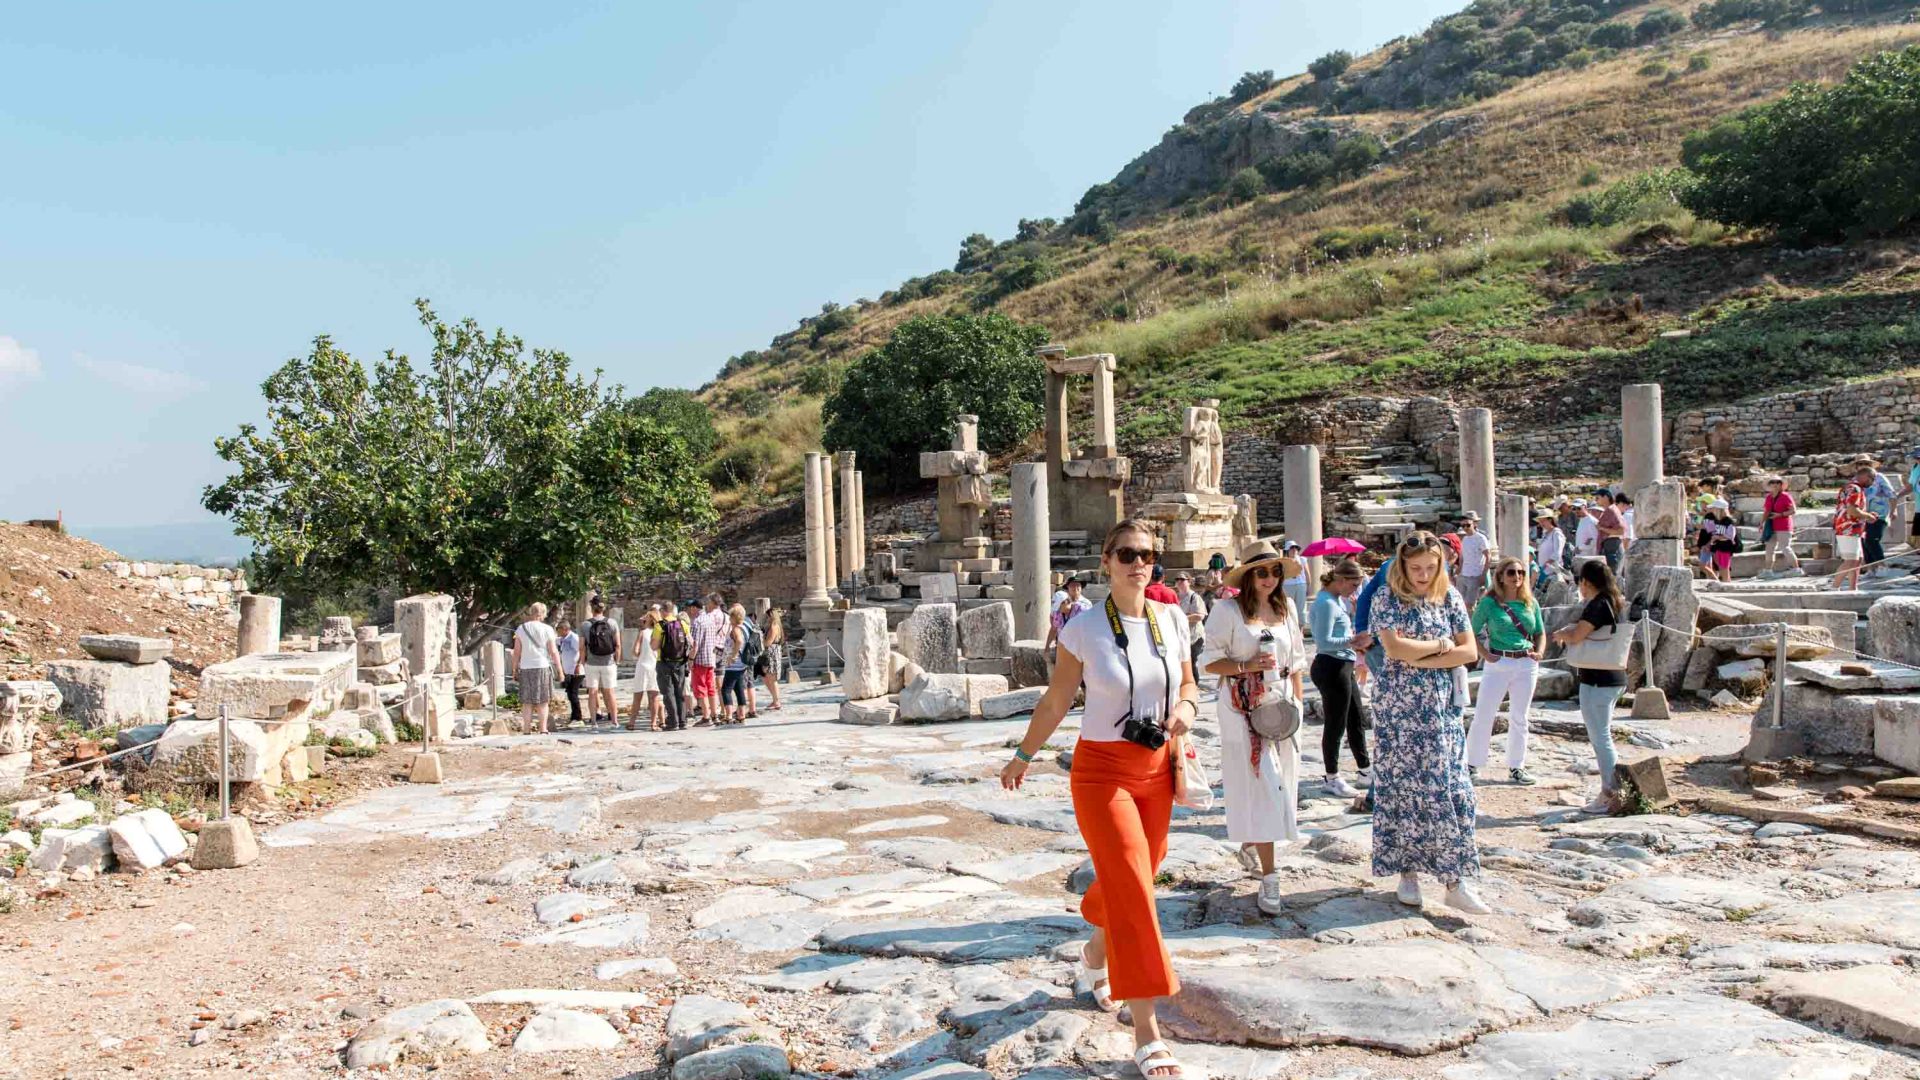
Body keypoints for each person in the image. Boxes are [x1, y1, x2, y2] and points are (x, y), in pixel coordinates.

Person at [1000, 520, 1199, 1080]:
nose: (1141, 563)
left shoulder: (1172, 619)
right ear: (1106, 560)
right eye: (1129, 554)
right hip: (1101, 772)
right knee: (1135, 887)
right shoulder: (1084, 629)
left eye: (1149, 555)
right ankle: (1146, 1030)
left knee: (1136, 877)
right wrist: (1024, 753)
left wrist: (1185, 711)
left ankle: (1093, 954)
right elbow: (1058, 699)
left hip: (1157, 767)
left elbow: (1188, 686)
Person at [1367, 532, 1488, 913]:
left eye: (1429, 568)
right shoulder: (1386, 598)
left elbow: (1468, 651)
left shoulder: (1449, 597)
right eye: (1415, 567)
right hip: (1398, 709)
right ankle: (1407, 873)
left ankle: (1455, 879)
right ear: (1402, 566)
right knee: (1404, 787)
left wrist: (1421, 657)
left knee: (1453, 790)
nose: (1422, 574)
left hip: (1441, 707)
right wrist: (1440, 647)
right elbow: (1394, 648)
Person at [1201, 540, 1306, 914]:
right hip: (1241, 707)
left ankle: (1251, 842)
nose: (1269, 578)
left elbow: (1296, 661)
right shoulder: (1228, 610)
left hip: (1281, 708)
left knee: (1280, 784)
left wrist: (1297, 703)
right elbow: (1209, 664)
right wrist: (1248, 668)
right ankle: (1271, 877)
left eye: (1275, 571)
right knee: (1263, 784)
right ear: (1247, 576)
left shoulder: (1287, 607)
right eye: (1261, 572)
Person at [1551, 560, 1629, 814]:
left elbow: (1578, 636)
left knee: (1600, 737)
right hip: (1610, 677)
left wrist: (1563, 634)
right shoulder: (1611, 600)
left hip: (1599, 679)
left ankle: (1610, 792)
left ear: (1585, 582)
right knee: (1601, 735)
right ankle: (1612, 789)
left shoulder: (1597, 605)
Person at [1467, 556, 1544, 786]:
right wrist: (1484, 653)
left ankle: (1516, 767)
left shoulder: (1530, 602)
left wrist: (1539, 652)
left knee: (1520, 716)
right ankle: (1472, 763)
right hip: (1499, 662)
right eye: (1511, 572)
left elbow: (1540, 631)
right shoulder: (1489, 603)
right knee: (1484, 713)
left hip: (1526, 662)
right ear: (1500, 575)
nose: (1517, 577)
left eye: (1521, 572)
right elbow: (1471, 630)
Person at [1309, 559, 1371, 800]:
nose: (1355, 589)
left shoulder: (1336, 600)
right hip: (1331, 665)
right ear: (1342, 580)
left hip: (1343, 664)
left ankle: (1365, 770)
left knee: (1356, 717)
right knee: (1336, 723)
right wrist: (1353, 641)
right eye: (1354, 584)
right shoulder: (1325, 603)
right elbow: (1323, 641)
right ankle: (1331, 777)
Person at [511, 602, 565, 735]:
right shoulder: (547, 629)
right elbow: (553, 651)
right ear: (543, 613)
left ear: (531, 612)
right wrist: (560, 669)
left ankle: (526, 729)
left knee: (527, 701)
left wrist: (514, 669)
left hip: (526, 667)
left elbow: (517, 651)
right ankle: (543, 728)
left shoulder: (521, 629)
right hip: (542, 666)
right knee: (543, 700)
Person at [581, 600, 622, 727]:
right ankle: (614, 721)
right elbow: (618, 645)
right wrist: (617, 661)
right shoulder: (612, 622)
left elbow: (582, 647)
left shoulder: (585, 625)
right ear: (604, 609)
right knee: (610, 692)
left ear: (592, 609)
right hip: (608, 662)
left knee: (592, 692)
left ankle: (594, 721)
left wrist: (583, 662)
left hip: (591, 663)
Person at [655, 601, 694, 731]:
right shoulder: (682, 623)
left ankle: (672, 721)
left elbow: (654, 646)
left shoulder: (660, 625)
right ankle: (682, 721)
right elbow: (691, 642)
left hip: (664, 661)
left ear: (663, 611)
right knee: (679, 691)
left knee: (668, 692)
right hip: (680, 662)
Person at [691, 593, 728, 725]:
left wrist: (690, 659)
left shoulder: (700, 621)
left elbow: (695, 644)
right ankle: (716, 713)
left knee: (701, 687)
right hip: (713, 655)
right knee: (712, 686)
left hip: (701, 657)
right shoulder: (718, 618)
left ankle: (706, 716)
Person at [1857, 459, 1897, 571]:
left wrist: (1894, 511)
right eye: (1860, 464)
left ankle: (1882, 566)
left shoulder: (1880, 477)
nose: (1863, 466)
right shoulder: (1855, 480)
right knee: (1863, 541)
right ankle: (1871, 568)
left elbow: (1891, 494)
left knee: (1872, 539)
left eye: (1866, 464)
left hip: (1880, 514)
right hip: (1862, 515)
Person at [626, 606, 662, 731]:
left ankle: (631, 722)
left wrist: (641, 653)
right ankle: (653, 723)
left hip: (642, 665)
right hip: (655, 666)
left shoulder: (642, 633)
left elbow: (635, 651)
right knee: (654, 696)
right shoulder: (660, 632)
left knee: (638, 696)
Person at [1832, 476, 1871, 591]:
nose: (1872, 482)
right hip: (1848, 528)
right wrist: (1868, 516)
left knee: (1857, 560)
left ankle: (1853, 588)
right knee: (1851, 560)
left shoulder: (1849, 487)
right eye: (1872, 479)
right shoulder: (1855, 489)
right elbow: (1851, 510)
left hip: (1854, 529)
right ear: (1866, 477)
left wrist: (1866, 514)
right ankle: (1834, 587)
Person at [720, 603, 751, 724]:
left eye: (730, 616)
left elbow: (739, 641)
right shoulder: (744, 626)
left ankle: (728, 715)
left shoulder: (736, 629)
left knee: (725, 690)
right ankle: (741, 714)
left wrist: (733, 656)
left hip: (734, 664)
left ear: (734, 617)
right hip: (741, 664)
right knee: (739, 689)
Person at [1454, 513, 1492, 609]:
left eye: (1468, 525)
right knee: (1460, 603)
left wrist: (1484, 574)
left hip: (1475, 575)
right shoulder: (1465, 539)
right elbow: (1463, 557)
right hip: (1463, 575)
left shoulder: (1481, 538)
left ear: (1474, 524)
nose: (1465, 528)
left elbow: (1488, 557)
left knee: (1470, 605)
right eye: (1463, 526)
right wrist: (1459, 569)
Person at [1173, 573, 1207, 670]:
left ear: (1189, 582)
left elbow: (1200, 616)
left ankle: (1193, 684)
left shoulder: (1194, 597)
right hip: (1180, 635)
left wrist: (1182, 618)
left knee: (1191, 664)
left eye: (1182, 579)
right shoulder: (1175, 596)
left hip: (1194, 637)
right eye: (1177, 579)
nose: (1179, 581)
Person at [555, 619, 585, 727]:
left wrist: (579, 665)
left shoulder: (574, 638)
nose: (557, 632)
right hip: (568, 671)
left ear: (565, 629)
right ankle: (574, 716)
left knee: (573, 694)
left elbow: (582, 651)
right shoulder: (563, 639)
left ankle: (578, 718)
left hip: (576, 671)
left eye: (558, 630)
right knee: (570, 694)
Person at [758, 607, 787, 712]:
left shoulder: (774, 627)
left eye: (768, 615)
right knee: (766, 677)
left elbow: (768, 643)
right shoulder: (775, 626)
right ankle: (775, 700)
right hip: (772, 652)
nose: (766, 618)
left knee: (771, 678)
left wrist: (760, 640)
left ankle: (776, 701)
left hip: (771, 653)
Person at [1704, 500, 1739, 583]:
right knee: (1720, 566)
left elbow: (1731, 536)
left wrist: (1718, 537)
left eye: (1714, 508)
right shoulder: (1715, 520)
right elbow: (1710, 531)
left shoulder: (1729, 521)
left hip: (1725, 547)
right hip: (1717, 547)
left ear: (1719, 509)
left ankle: (1726, 584)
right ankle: (1726, 582)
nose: (1712, 510)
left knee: (1724, 567)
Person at [1594, 490, 1626, 573]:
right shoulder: (1609, 510)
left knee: (1612, 575)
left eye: (1598, 498)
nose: (1596, 500)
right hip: (1609, 546)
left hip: (1612, 546)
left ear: (1606, 497)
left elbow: (1621, 530)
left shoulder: (1612, 510)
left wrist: (1601, 528)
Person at [1533, 509, 1566, 585]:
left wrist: (1546, 565)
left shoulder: (1556, 533)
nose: (1541, 523)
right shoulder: (1545, 533)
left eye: (1543, 520)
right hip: (1544, 569)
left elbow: (1557, 553)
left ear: (1550, 520)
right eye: (1540, 521)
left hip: (1552, 571)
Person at [1280, 541, 1309, 625]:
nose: (1294, 550)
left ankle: (1301, 630)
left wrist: (1308, 585)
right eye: (1291, 548)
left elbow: (1307, 573)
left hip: (1301, 585)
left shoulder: (1302, 559)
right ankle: (1290, 627)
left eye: (1295, 548)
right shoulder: (1283, 561)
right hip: (1287, 585)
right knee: (1288, 607)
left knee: (1301, 608)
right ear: (1287, 550)